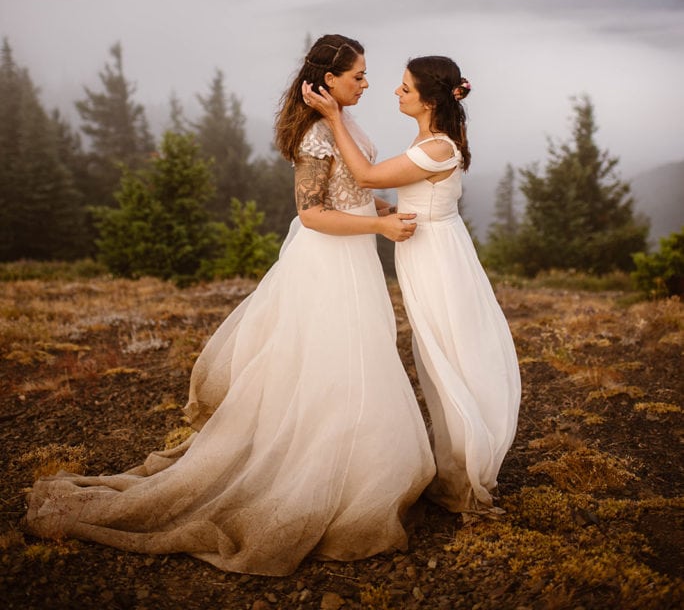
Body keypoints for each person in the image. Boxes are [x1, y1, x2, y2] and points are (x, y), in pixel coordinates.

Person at [25, 35, 435, 576]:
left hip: (352, 256)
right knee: (332, 363)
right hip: (328, 263)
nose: (366, 82)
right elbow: (312, 214)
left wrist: (382, 206)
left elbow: (347, 192)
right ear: (328, 82)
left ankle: (358, 468)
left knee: (353, 363)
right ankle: (316, 476)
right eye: (357, 75)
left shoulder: (343, 123)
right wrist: (378, 225)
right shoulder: (316, 133)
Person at [303, 54, 521, 516]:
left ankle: (467, 473)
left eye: (405, 87)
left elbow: (365, 174)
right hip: (428, 252)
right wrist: (379, 209)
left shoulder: (438, 148)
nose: (396, 92)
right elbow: (411, 193)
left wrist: (333, 116)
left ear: (428, 100)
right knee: (438, 355)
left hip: (437, 259)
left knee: (450, 355)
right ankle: (456, 466)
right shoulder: (430, 140)